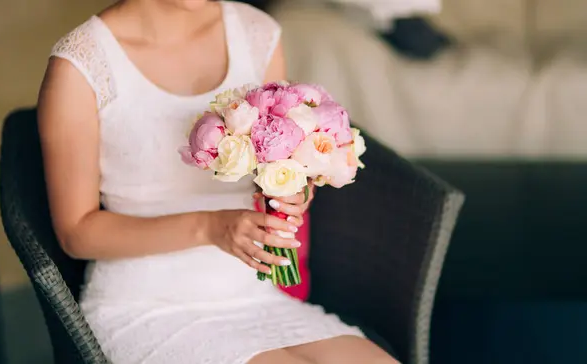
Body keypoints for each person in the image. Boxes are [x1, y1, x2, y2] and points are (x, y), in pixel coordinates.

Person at [37, 0, 398, 363]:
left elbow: (277, 160)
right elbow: (77, 233)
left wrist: (292, 188)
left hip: (255, 295)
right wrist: (210, 227)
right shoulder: (79, 65)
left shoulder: (257, 32)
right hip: (146, 308)